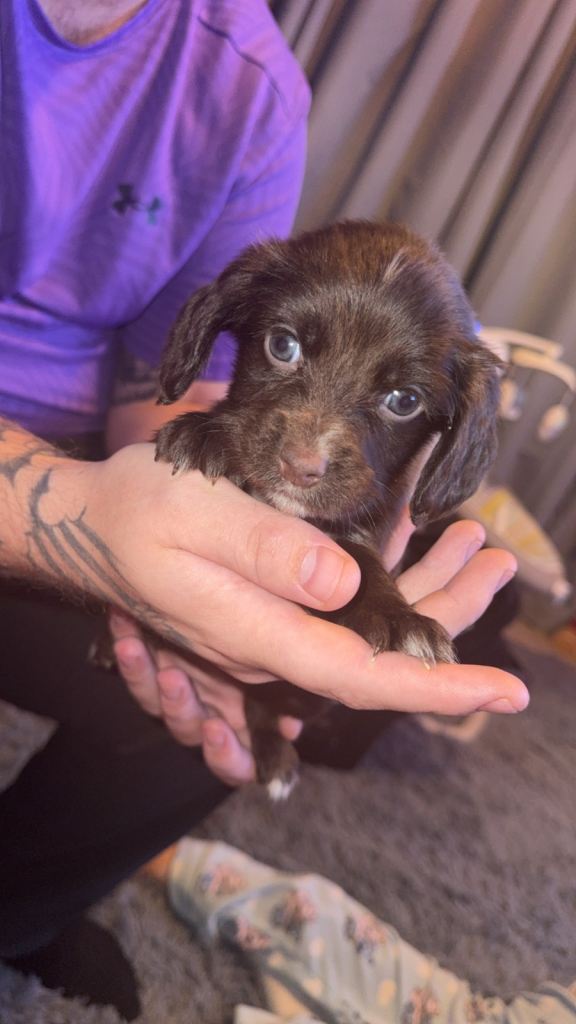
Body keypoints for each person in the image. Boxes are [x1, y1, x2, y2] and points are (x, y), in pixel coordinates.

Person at [0, 0, 528, 1019]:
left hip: (79, 449)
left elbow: (162, 396)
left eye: (397, 401)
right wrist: (80, 526)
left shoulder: (245, 88)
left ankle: (15, 905)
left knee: (245, 679)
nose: (310, 444)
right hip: (42, 485)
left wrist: (175, 548)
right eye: (285, 345)